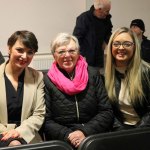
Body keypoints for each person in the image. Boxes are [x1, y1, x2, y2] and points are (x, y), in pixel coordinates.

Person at [44, 33, 114, 149]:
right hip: (63, 140)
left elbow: (106, 111)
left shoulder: (93, 74)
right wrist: (68, 135)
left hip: (93, 135)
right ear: (54, 55)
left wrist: (84, 132)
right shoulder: (47, 80)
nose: (67, 55)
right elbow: (46, 120)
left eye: (72, 51)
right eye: (61, 52)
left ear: (78, 52)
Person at [0, 30, 45, 147]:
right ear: (9, 48)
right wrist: (7, 133)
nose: (24, 56)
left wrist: (18, 132)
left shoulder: (38, 77)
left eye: (30, 52)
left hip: (27, 134)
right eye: (19, 50)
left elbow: (39, 114)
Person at [105, 27, 150, 131]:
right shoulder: (104, 76)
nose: (121, 48)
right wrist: (121, 132)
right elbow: (108, 111)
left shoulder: (147, 72)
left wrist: (136, 133)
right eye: (116, 44)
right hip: (120, 130)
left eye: (127, 44)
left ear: (135, 47)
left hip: (144, 130)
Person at [73, 0, 112, 73]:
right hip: (86, 57)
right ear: (99, 10)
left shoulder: (106, 18)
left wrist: (106, 41)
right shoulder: (84, 18)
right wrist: (82, 55)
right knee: (88, 79)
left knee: (99, 78)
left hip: (99, 56)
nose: (108, 13)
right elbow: (76, 39)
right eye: (106, 11)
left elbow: (109, 31)